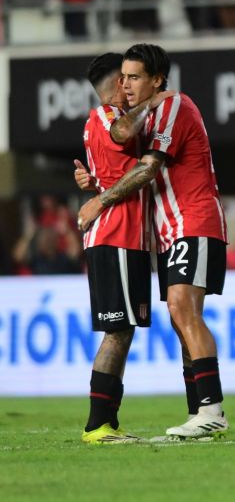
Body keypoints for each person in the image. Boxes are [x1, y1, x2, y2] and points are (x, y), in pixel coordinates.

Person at [77, 43, 230, 440]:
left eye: (134, 77)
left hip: (193, 220)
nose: (126, 85)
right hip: (167, 231)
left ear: (156, 79)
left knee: (182, 310)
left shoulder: (174, 105)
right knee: (181, 321)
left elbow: (147, 169)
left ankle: (210, 408)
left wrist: (99, 199)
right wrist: (96, 181)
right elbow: (122, 150)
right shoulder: (142, 114)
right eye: (122, 77)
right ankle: (200, 411)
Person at [72, 53, 153, 443]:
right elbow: (121, 133)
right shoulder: (106, 115)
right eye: (126, 78)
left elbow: (107, 171)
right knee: (116, 330)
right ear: (116, 84)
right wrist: (154, 102)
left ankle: (109, 421)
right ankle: (96, 425)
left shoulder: (98, 122)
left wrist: (91, 183)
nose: (130, 84)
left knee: (123, 330)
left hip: (126, 237)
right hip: (113, 234)